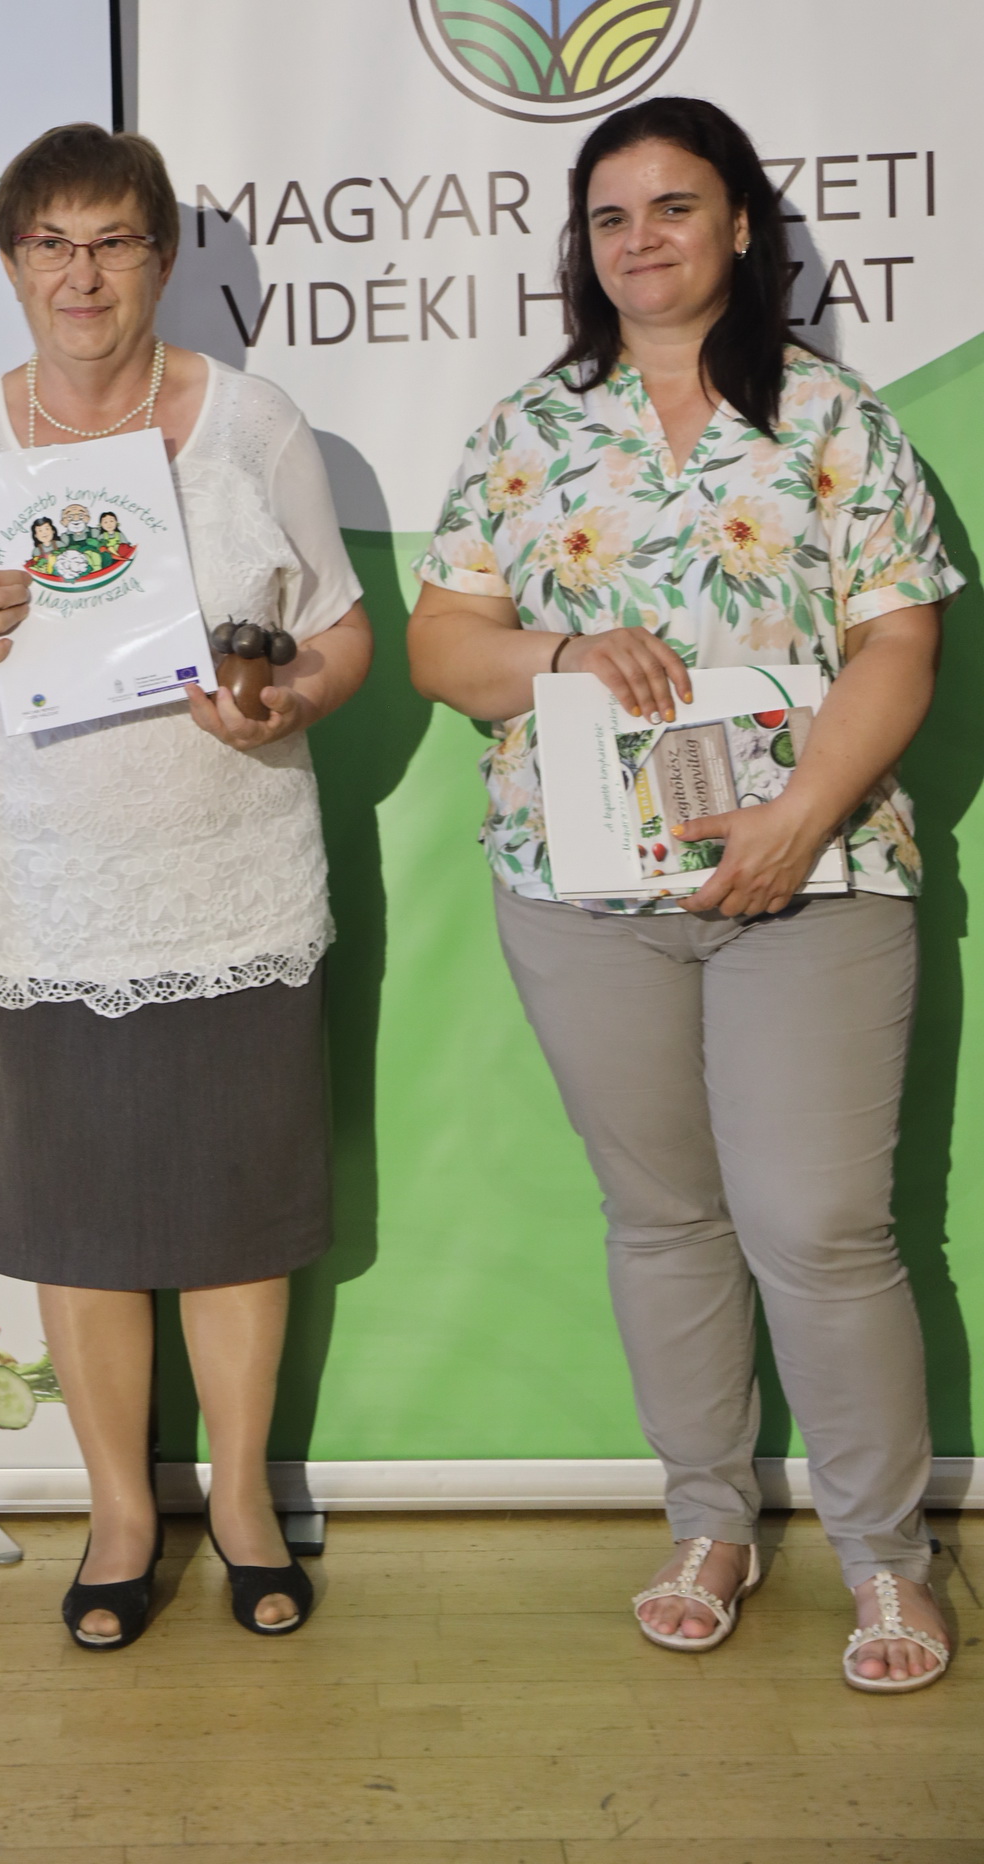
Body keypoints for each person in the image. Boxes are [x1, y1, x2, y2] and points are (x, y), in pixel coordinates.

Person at [407, 94, 958, 1693]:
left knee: (823, 1228)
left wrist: (799, 818)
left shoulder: (835, 419)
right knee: (662, 1222)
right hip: (583, 895)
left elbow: (901, 641)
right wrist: (560, 650)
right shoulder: (528, 431)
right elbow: (445, 647)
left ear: (739, 227)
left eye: (673, 207)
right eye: (611, 216)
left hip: (815, 877)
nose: (640, 240)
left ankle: (886, 1559)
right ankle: (710, 1522)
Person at [0, 123, 372, 1649]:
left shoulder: (254, 424)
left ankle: (242, 1504)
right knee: (78, 1228)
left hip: (232, 885)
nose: (81, 275)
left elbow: (342, 631)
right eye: (52, 246)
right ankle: (117, 1513)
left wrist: (289, 702)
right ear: (12, 263)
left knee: (235, 1222)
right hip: (43, 901)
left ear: (161, 261)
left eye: (113, 244)